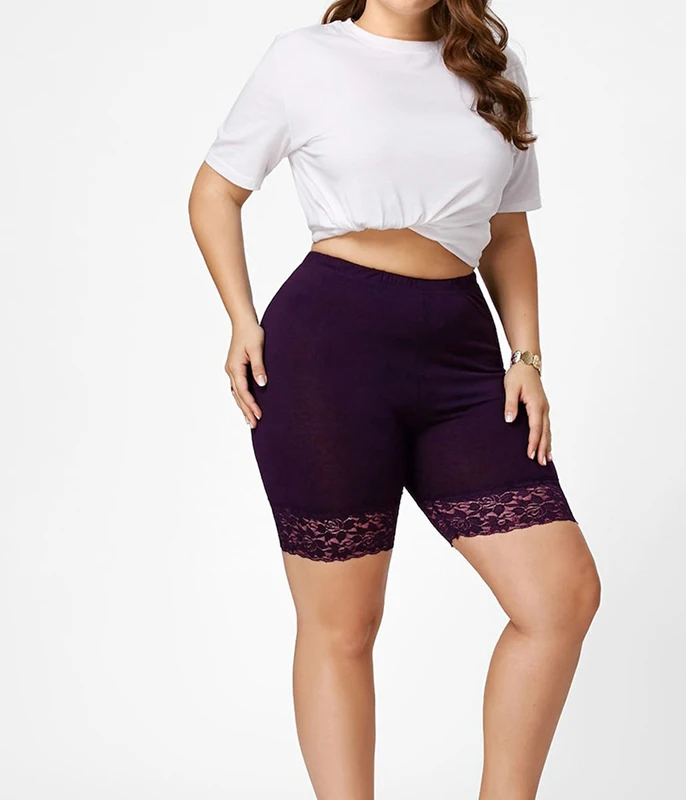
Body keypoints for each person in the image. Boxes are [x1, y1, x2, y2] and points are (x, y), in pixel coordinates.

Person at [188, 2, 601, 797]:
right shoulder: (303, 58)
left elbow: (508, 232)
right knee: (344, 624)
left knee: (561, 597)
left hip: (462, 356)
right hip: (327, 352)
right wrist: (241, 318)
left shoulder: (491, 67)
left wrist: (525, 356)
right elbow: (213, 193)